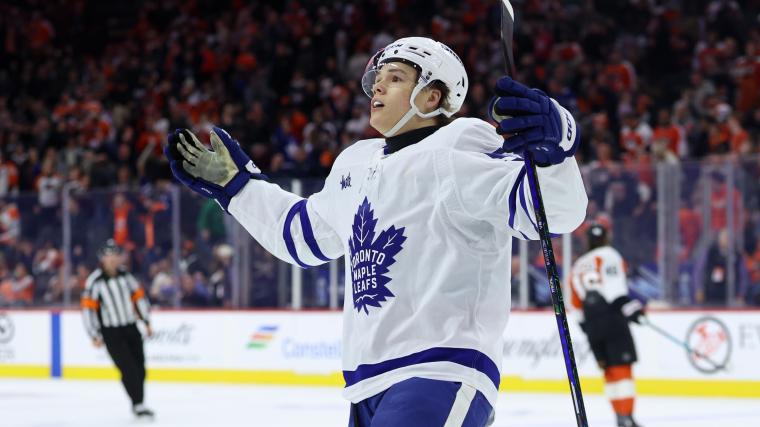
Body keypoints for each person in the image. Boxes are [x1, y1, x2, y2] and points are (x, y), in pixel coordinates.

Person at [166, 37, 587, 426]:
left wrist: (556, 150)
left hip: (441, 370)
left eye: (396, 78)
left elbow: (553, 212)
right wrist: (238, 188)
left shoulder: (461, 144)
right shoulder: (355, 163)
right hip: (367, 387)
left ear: (433, 97)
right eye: (378, 78)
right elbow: (300, 237)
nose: (378, 87)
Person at [569, 224, 645, 427]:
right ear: (606, 238)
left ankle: (619, 417)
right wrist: (631, 308)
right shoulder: (609, 255)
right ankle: (626, 418)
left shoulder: (578, 265)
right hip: (612, 318)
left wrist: (585, 325)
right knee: (622, 369)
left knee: (608, 370)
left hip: (591, 322)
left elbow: (574, 302)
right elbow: (615, 290)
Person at [81, 239, 155, 419]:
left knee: (140, 367)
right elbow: (88, 310)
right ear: (102, 259)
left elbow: (139, 298)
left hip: (130, 326)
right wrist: (94, 334)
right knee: (128, 368)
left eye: (115, 255)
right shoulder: (95, 281)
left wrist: (146, 321)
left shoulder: (126, 276)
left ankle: (138, 402)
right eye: (108, 255)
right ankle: (138, 404)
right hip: (111, 332)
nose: (112, 259)